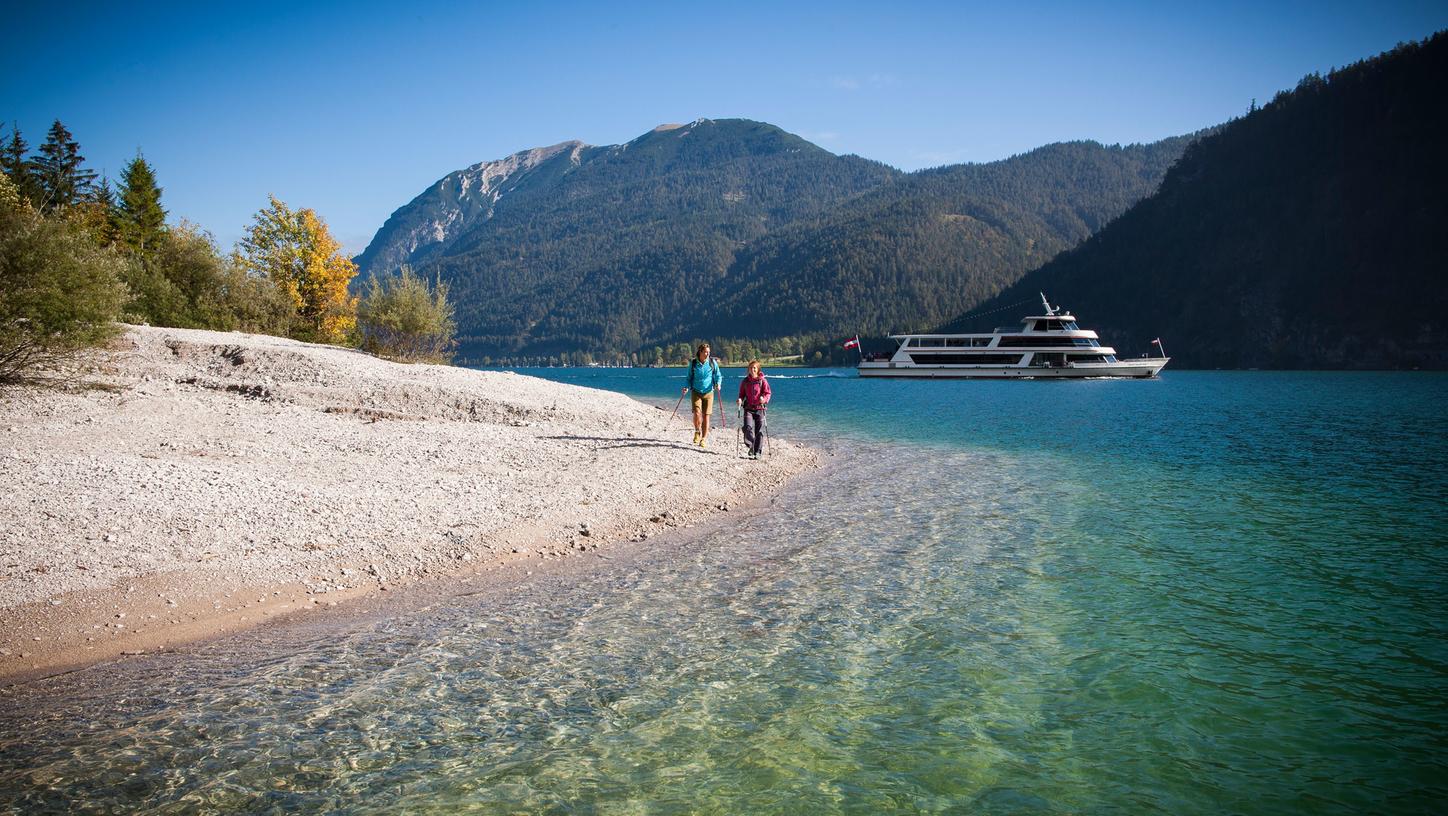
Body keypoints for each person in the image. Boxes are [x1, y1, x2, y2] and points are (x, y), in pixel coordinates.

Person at [683, 343, 722, 448]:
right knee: (696, 413)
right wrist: (686, 387)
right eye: (705, 352)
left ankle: (704, 439)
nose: (707, 354)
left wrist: (718, 384)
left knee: (706, 416)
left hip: (709, 393)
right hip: (696, 391)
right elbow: (688, 377)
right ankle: (697, 431)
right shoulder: (694, 363)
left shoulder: (712, 363)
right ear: (700, 352)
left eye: (709, 352)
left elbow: (718, 375)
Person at [737, 359, 771, 459]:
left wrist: (764, 399)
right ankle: (751, 446)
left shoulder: (762, 381)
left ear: (758, 369)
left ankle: (758, 452)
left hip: (760, 408)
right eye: (751, 368)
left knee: (759, 431)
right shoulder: (745, 381)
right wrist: (739, 399)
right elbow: (741, 394)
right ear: (748, 369)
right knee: (747, 427)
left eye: (754, 368)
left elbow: (768, 393)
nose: (752, 370)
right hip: (748, 408)